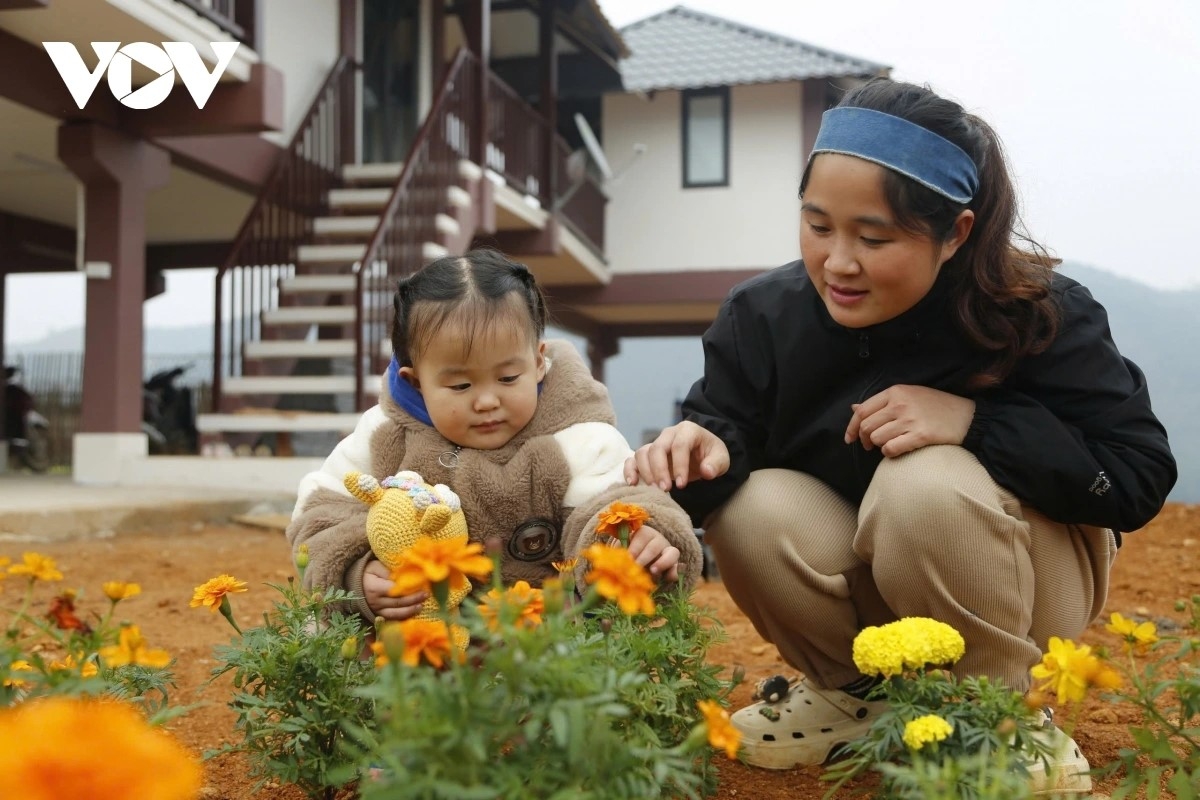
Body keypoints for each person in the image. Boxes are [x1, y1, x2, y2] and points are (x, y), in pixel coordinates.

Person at [624, 77, 1177, 780]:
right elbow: (732, 434)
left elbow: (1135, 478)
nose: (838, 262)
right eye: (818, 226)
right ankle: (854, 698)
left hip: (1028, 590)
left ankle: (995, 722)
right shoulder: (764, 316)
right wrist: (706, 453)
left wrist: (976, 423)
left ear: (957, 234)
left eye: (874, 237)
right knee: (751, 503)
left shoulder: (1036, 315)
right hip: (874, 597)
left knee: (924, 481)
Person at [288, 248, 701, 625]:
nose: (487, 401)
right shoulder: (385, 435)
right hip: (424, 639)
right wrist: (356, 574)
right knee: (324, 628)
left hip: (544, 639)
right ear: (415, 383)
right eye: (460, 387)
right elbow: (321, 514)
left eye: (507, 377)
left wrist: (634, 543)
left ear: (538, 363)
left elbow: (616, 501)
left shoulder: (577, 434)